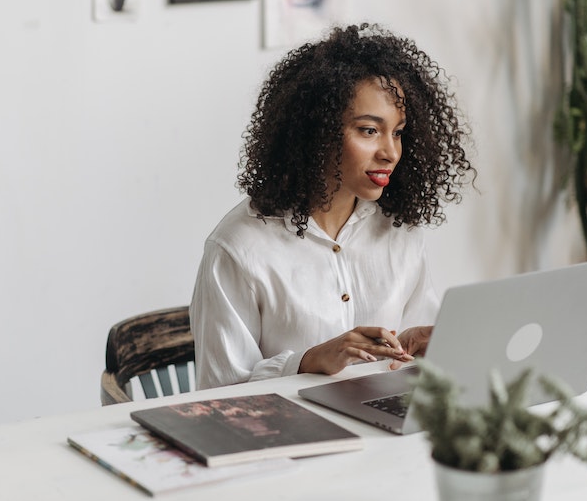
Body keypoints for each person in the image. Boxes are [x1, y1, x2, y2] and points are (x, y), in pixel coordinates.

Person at [189, 23, 476, 390]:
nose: (390, 152)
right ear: (318, 131)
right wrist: (306, 362)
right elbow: (221, 394)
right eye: (369, 130)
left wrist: (414, 344)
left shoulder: (398, 230)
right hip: (290, 439)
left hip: (383, 427)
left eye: (398, 132)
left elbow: (410, 364)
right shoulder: (238, 249)